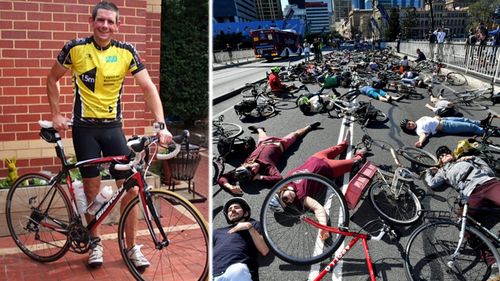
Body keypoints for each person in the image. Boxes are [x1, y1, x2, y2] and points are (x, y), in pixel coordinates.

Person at [46, 1, 173, 268]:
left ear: (117, 25)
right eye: (100, 20)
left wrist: (161, 124)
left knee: (130, 190)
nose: (105, 25)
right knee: (92, 190)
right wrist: (56, 114)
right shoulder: (75, 48)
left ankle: (131, 248)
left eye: (110, 21)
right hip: (85, 130)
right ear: (91, 22)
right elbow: (52, 78)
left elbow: (148, 87)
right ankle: (95, 244)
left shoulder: (127, 52)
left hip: (113, 129)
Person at [269, 131, 366, 240]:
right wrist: (323, 227)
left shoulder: (285, 181)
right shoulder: (301, 197)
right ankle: (360, 154)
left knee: (340, 147)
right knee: (356, 162)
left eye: (285, 199)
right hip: (328, 168)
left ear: (280, 191)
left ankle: (345, 143)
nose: (290, 201)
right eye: (288, 204)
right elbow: (318, 208)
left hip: (316, 158)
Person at [424, 146, 500, 278]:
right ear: (440, 161)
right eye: (441, 156)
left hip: (487, 184)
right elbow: (432, 183)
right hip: (472, 195)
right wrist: (428, 171)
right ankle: (494, 263)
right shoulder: (443, 171)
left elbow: (489, 171)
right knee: (464, 226)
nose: (444, 155)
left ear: (452, 154)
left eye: (446, 152)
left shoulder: (464, 160)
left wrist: (473, 158)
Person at [217, 123, 321, 195]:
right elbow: (278, 178)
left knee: (261, 133)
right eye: (253, 172)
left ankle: (259, 128)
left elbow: (222, 178)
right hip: (281, 144)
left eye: (250, 168)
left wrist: (230, 187)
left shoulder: (242, 167)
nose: (253, 169)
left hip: (263, 142)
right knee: (296, 135)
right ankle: (309, 127)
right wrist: (260, 177)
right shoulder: (267, 167)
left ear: (244, 166)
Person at [213, 197, 269, 281]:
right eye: (229, 210)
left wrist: (249, 227)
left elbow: (265, 250)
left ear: (246, 213)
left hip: (236, 272)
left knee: (238, 269)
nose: (232, 210)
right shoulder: (217, 232)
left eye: (236, 207)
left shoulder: (254, 225)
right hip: (213, 274)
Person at [400, 114, 494, 148]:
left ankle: (481, 122)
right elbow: (422, 135)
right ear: (410, 130)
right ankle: (489, 132)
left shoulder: (419, 120)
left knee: (465, 120)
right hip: (446, 126)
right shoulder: (418, 130)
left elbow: (430, 120)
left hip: (444, 119)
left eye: (409, 123)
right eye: (409, 126)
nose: (410, 125)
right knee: (470, 127)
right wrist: (420, 142)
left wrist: (436, 117)